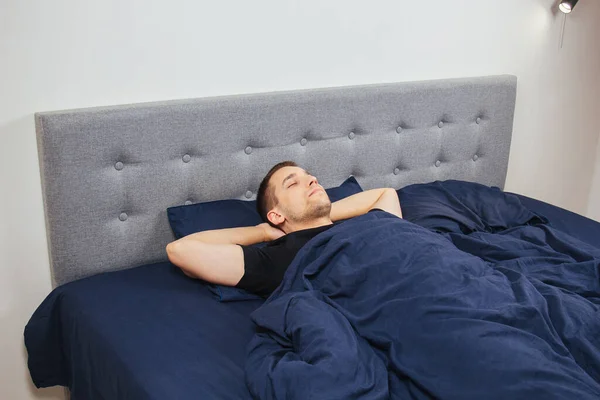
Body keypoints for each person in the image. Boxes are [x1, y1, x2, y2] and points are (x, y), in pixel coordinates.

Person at [166, 161, 402, 297]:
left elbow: (386, 194)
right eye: (293, 183)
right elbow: (180, 250)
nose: (313, 180)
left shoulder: (363, 225)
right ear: (276, 215)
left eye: (309, 176)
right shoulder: (282, 257)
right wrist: (262, 232)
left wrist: (321, 212)